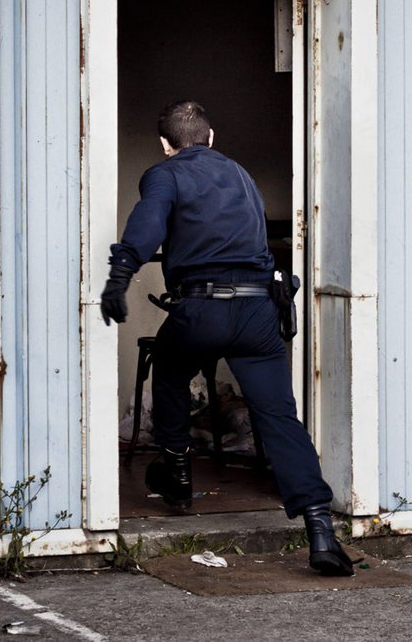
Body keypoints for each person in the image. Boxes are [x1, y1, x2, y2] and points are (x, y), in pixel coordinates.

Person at [101, 100, 354, 577]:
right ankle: (320, 528)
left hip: (200, 307)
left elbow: (149, 223)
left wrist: (120, 277)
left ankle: (177, 473)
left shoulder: (165, 174)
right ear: (211, 137)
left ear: (165, 144)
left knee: (171, 370)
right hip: (258, 311)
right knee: (279, 415)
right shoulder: (241, 175)